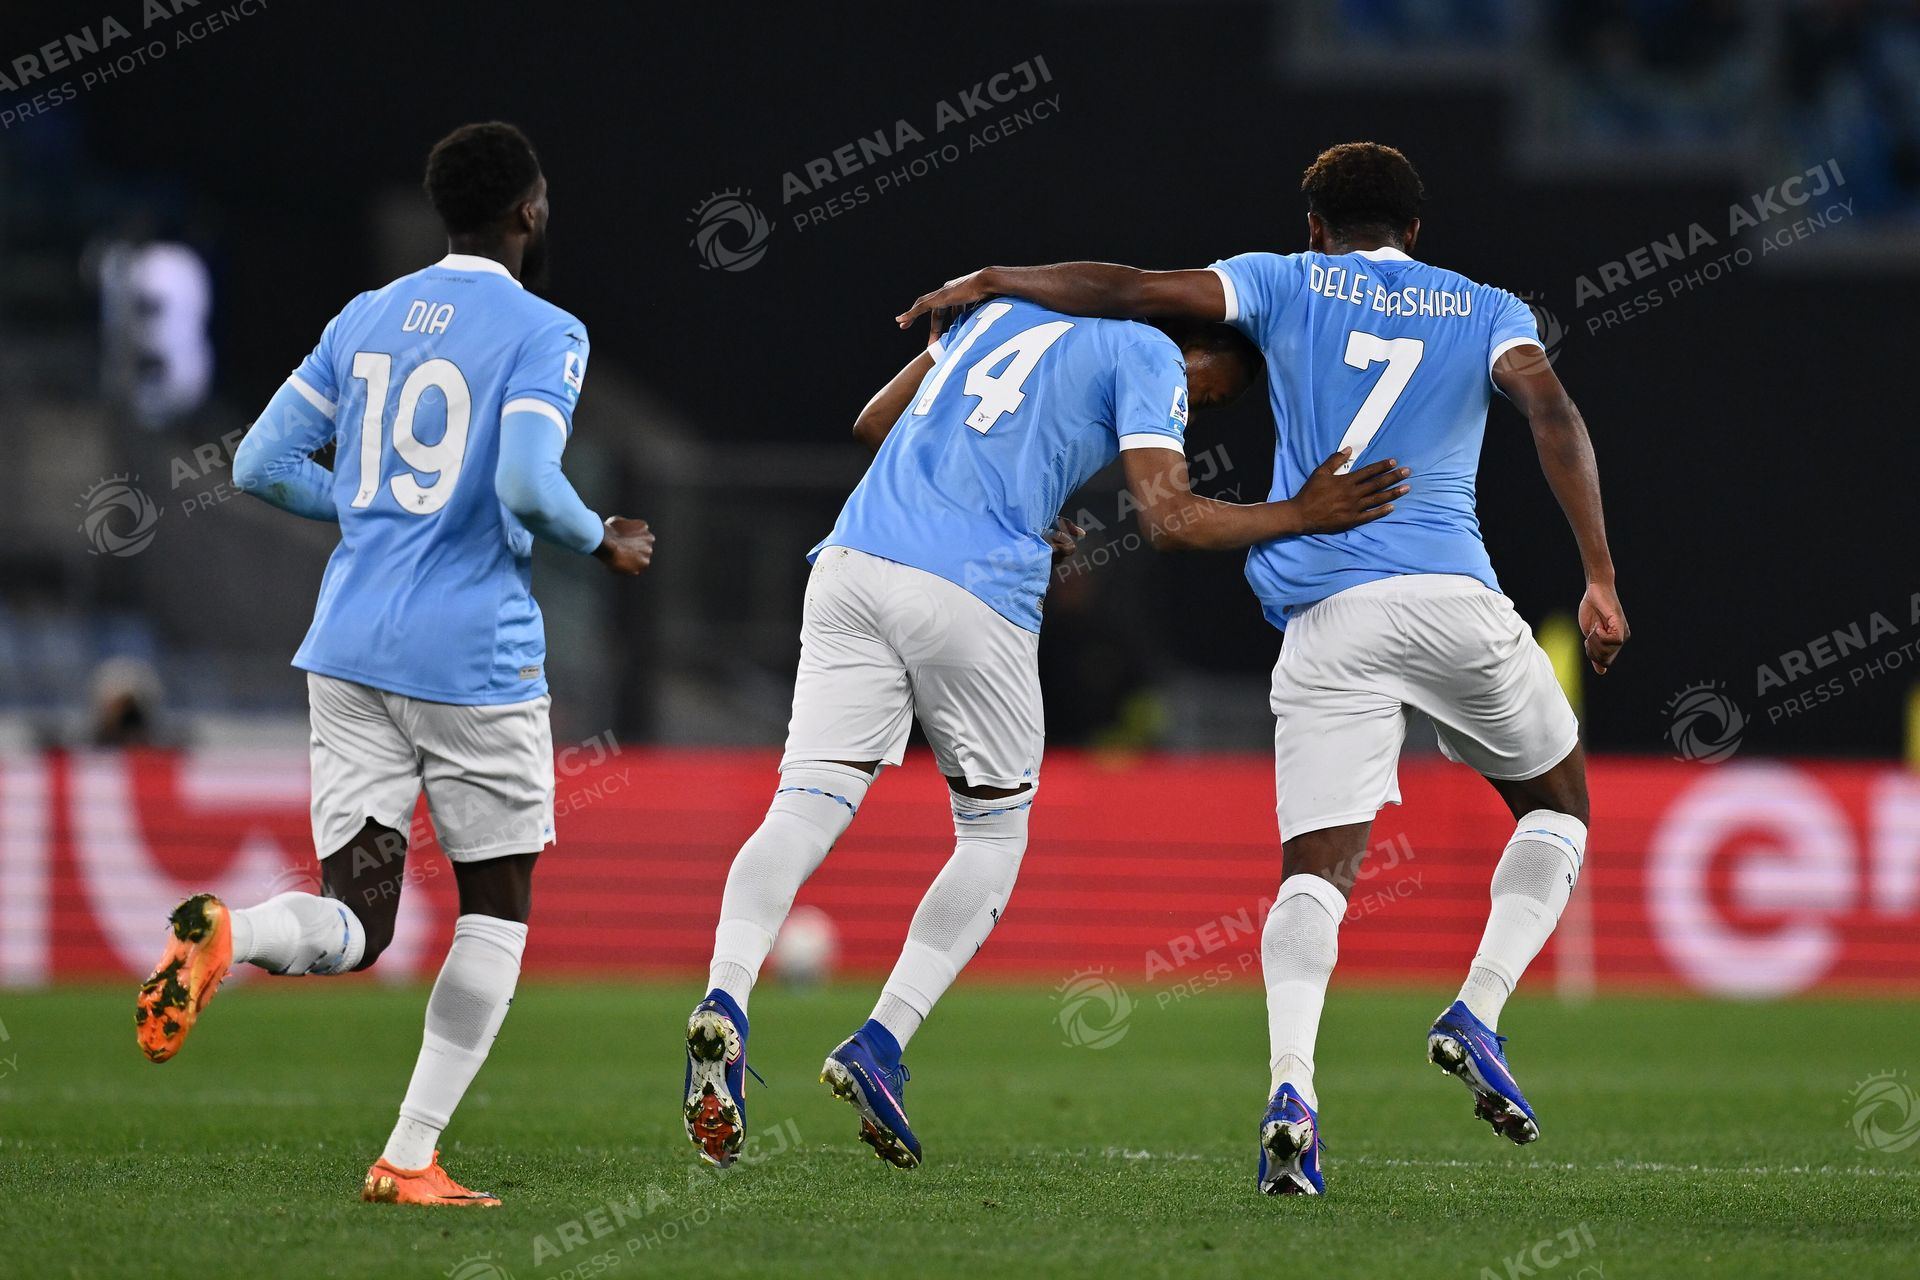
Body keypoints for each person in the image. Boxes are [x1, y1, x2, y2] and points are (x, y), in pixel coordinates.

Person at [897, 140, 1629, 1195]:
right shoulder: (1486, 307)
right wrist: (1598, 576)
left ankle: (1292, 1092)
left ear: (1315, 228)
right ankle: (1479, 1005)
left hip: (1329, 619)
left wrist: (998, 276)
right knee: (1557, 807)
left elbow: (1131, 290)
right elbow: (1554, 413)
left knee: (1315, 876)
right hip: (1453, 597)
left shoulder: (1284, 279)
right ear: (1416, 230)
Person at [684, 299, 1410, 1171]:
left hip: (851, 563)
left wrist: (1017, 511)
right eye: (1210, 391)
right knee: (993, 835)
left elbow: (874, 423)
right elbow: (1171, 519)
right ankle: (880, 1042)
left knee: (803, 806)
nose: (1194, 408)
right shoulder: (1149, 349)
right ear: (1193, 343)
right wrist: (1303, 511)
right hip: (970, 590)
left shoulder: (998, 310)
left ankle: (725, 995)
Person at [132, 121, 655, 1207]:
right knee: (495, 907)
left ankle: (232, 931)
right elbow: (525, 484)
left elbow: (260, 463)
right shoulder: (546, 329)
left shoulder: (365, 315)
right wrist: (600, 535)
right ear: (529, 212)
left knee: (358, 920)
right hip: (470, 660)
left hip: (348, 647)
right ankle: (409, 1155)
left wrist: (372, 510)